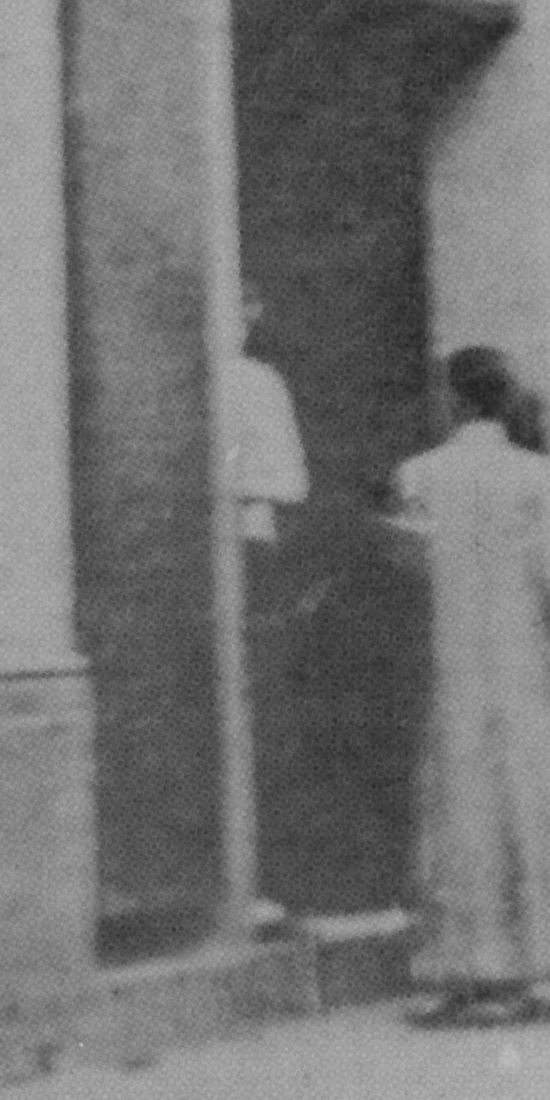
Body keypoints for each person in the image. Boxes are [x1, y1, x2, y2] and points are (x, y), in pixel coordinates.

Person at [389, 346, 550, 1027]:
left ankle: (471, 972)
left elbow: (406, 575)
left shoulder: (419, 475)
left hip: (452, 662)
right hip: (524, 664)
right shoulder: (541, 478)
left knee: (462, 809)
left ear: (454, 400)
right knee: (533, 803)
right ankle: (549, 966)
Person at [227, 292, 311, 930]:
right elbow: (289, 483)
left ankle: (260, 877)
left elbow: (288, 483)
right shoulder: (255, 383)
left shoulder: (257, 382)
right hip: (246, 547)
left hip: (245, 551)